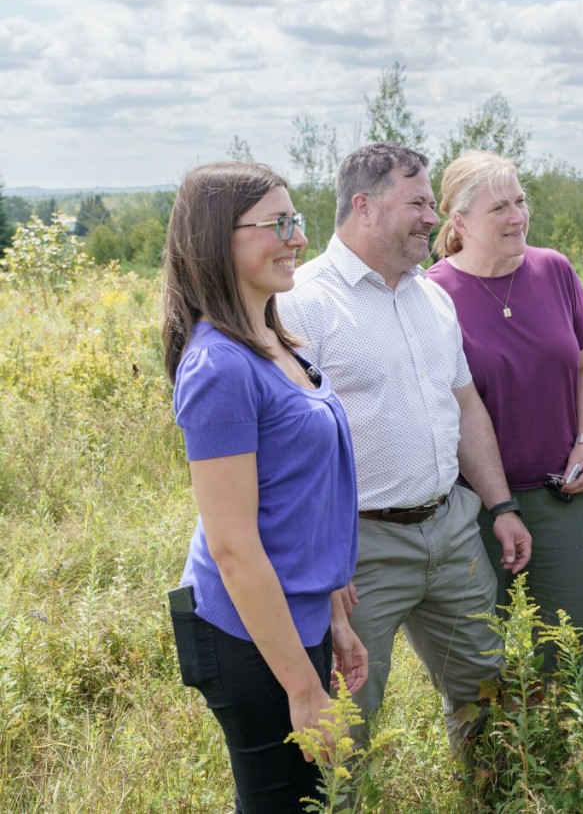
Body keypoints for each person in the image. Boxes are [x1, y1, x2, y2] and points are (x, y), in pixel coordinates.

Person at [276, 143, 532, 754]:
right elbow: (285, 448)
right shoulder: (301, 302)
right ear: (364, 207)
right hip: (360, 552)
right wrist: (323, 559)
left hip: (451, 532)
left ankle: (489, 796)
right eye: (416, 203)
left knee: (485, 698)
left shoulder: (432, 298)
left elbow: (464, 406)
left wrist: (499, 507)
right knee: (347, 720)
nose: (432, 218)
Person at [162, 161, 367, 813]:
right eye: (277, 223)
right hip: (247, 635)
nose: (298, 237)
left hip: (295, 612)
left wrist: (334, 613)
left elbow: (301, 497)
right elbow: (233, 548)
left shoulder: (278, 341)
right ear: (218, 238)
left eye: (297, 219)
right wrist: (303, 691)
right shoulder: (219, 366)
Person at [427, 150, 583, 669]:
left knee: (574, 652)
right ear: (459, 221)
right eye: (499, 207)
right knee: (476, 657)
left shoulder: (554, 270)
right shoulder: (432, 294)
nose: (517, 216)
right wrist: (496, 504)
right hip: (472, 506)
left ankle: (573, 751)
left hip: (563, 493)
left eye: (521, 201)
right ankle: (488, 751)